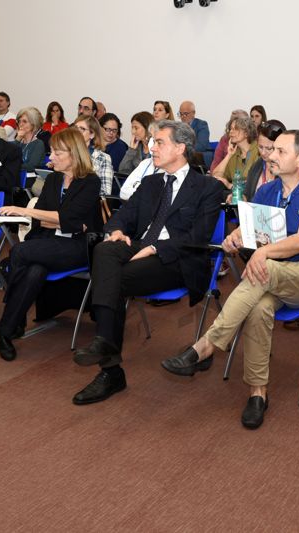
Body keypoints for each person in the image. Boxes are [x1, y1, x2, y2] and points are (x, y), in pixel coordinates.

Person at [161, 129, 299, 429]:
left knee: (264, 268)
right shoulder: (268, 191)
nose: (270, 155)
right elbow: (254, 231)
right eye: (271, 150)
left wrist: (262, 253)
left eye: (280, 151)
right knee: (258, 308)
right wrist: (235, 237)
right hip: (274, 277)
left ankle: (206, 346)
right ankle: (258, 393)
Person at [70, 120, 224, 405]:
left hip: (176, 258)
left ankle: (110, 369)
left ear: (180, 148)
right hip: (139, 246)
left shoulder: (207, 187)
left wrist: (155, 248)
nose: (152, 147)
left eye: (160, 142)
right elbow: (124, 215)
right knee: (105, 250)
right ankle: (105, 345)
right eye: (152, 141)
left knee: (114, 277)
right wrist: (115, 230)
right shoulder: (152, 182)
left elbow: (197, 237)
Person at [0, 129, 102, 361]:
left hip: (77, 247)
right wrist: (59, 219)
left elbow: (69, 221)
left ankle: (10, 323)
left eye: (56, 152)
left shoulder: (90, 181)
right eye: (51, 151)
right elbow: (46, 219)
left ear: (73, 154)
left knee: (19, 251)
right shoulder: (52, 179)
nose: (50, 156)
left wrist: (25, 210)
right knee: (35, 271)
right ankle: (8, 327)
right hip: (48, 242)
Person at [212, 116, 259, 189]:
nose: (231, 131)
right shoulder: (234, 153)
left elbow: (256, 183)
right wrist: (228, 155)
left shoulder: (258, 150)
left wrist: (230, 185)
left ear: (247, 133)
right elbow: (215, 176)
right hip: (235, 195)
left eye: (236, 129)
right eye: (231, 129)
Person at [243, 120, 286, 201]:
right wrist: (241, 198)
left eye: (269, 148)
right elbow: (247, 195)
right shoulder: (257, 165)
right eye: (260, 147)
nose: (263, 153)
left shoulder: (287, 170)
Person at [72, 115, 114, 195]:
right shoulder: (66, 152)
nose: (77, 132)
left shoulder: (103, 158)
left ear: (92, 134)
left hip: (88, 201)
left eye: (82, 129)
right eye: (75, 128)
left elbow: (105, 192)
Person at [13, 107, 47, 172]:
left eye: (24, 121)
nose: (21, 124)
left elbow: (30, 166)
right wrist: (17, 139)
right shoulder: (18, 142)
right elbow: (7, 156)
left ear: (33, 124)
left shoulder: (38, 144)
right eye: (19, 121)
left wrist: (11, 165)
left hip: (30, 178)